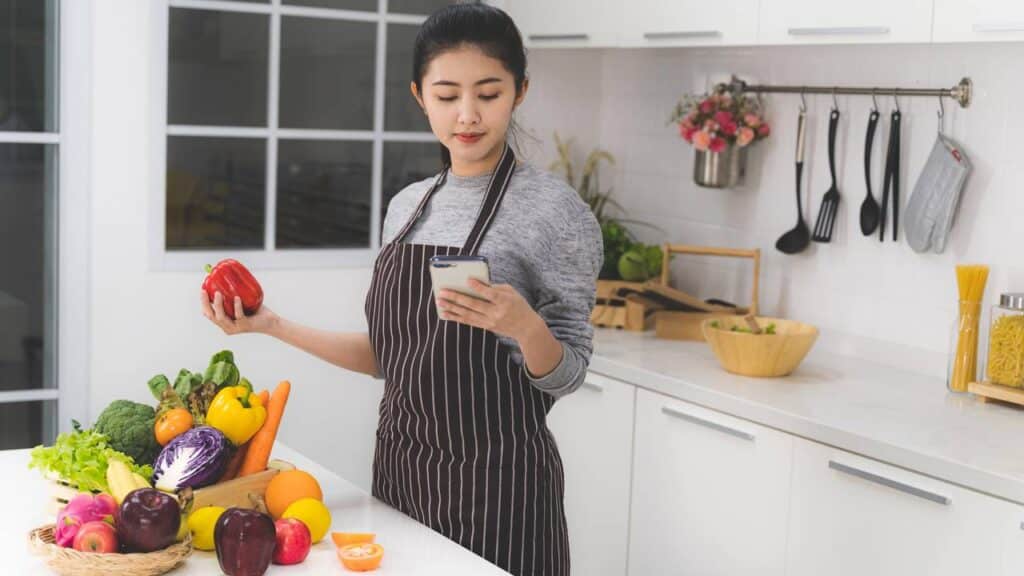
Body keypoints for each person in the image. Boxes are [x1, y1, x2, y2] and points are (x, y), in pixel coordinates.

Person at [201, 4, 602, 574]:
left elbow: (569, 373)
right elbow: (388, 357)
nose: (467, 115)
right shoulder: (409, 206)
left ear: (520, 91)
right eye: (447, 95)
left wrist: (524, 326)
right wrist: (272, 325)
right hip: (400, 480)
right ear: (420, 96)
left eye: (489, 94)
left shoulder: (555, 213)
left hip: (500, 499)